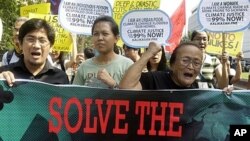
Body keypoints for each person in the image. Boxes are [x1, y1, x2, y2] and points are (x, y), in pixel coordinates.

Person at [0, 18, 69, 85]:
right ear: (21, 44)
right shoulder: (4, 74)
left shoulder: (61, 78)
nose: (36, 45)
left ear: (50, 46)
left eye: (42, 41)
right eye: (30, 39)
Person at [73, 15, 133, 88]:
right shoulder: (84, 67)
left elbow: (133, 97)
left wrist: (114, 84)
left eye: (105, 34)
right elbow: (75, 95)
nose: (100, 38)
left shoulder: (127, 65)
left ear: (116, 38)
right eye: (96, 34)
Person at [119, 41, 203, 90]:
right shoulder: (154, 80)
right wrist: (149, 53)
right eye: (185, 61)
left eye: (196, 63)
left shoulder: (199, 91)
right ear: (172, 64)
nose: (191, 67)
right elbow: (125, 87)